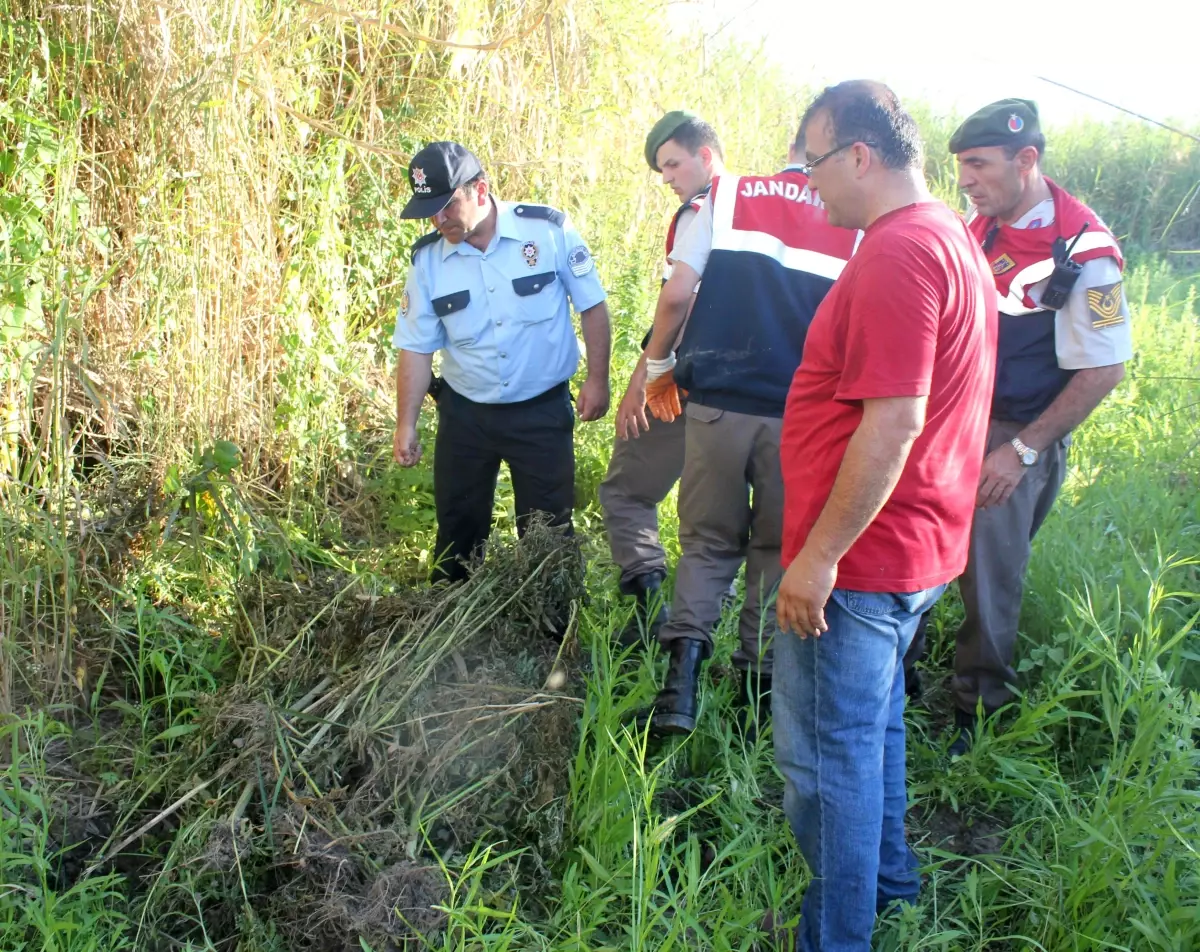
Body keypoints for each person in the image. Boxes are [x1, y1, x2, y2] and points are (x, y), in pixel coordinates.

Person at [774, 80, 995, 951]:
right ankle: (888, 893)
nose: (807, 182)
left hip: (862, 565)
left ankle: (836, 936)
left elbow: (897, 417)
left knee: (827, 767)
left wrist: (820, 556)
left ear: (859, 155)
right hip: (915, 549)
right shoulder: (945, 237)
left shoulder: (900, 253)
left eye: (814, 162)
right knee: (874, 737)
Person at [634, 132, 859, 736]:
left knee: (706, 544)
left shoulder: (725, 197)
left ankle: (679, 689)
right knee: (774, 550)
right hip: (802, 421)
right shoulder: (858, 219)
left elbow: (677, 294)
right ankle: (755, 697)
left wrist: (658, 371)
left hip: (716, 409)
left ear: (787, 146)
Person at [943, 99, 1131, 751]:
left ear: (1027, 160)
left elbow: (1105, 368)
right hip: (956, 420)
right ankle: (901, 678)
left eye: (977, 165)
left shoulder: (1088, 249)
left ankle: (980, 712)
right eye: (962, 166)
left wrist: (1021, 450)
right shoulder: (981, 223)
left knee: (989, 578)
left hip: (1014, 435)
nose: (965, 179)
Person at [392, 141, 612, 584]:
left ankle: (553, 638)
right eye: (430, 211)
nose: (439, 220)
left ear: (480, 190)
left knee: (546, 534)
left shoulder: (547, 231)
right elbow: (415, 347)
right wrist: (406, 423)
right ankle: (451, 628)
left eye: (447, 206)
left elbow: (592, 305)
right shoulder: (429, 261)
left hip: (540, 412)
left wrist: (598, 379)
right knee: (458, 531)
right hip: (466, 416)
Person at [599, 111, 725, 647]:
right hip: (752, 392)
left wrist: (644, 382)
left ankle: (650, 609)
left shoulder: (700, 212)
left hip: (685, 377)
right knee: (721, 524)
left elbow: (678, 306)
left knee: (626, 488)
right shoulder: (769, 209)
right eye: (661, 170)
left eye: (673, 163)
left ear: (707, 154)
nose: (668, 178)